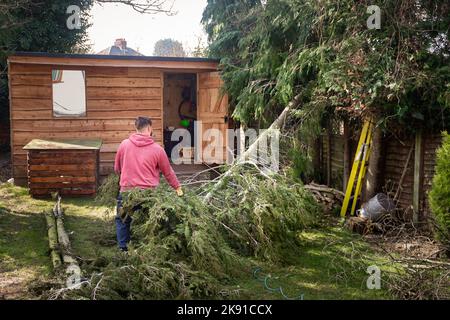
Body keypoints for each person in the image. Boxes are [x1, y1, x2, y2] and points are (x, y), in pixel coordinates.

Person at [114, 116, 183, 251]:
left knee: (122, 220)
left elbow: (117, 168)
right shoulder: (158, 149)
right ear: (150, 129)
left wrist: (126, 178)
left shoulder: (124, 145)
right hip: (149, 194)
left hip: (127, 192)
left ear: (136, 128)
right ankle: (151, 248)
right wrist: (177, 187)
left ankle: (123, 249)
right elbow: (168, 172)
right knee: (152, 220)